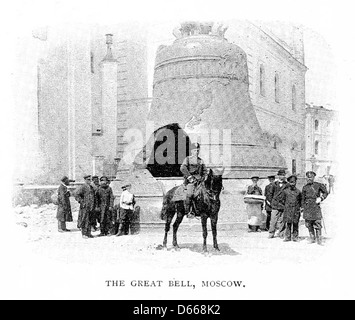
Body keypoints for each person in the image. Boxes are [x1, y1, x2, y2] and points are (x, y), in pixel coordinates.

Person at [180, 143, 208, 218]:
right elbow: (183, 168)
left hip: (200, 181)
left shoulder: (200, 160)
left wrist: (205, 176)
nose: (197, 152)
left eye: (198, 150)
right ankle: (188, 212)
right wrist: (189, 177)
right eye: (195, 150)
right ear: (191, 151)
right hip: (190, 181)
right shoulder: (187, 159)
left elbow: (205, 170)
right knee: (190, 194)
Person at [302, 171, 328, 245]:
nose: (309, 179)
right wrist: (302, 207)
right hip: (307, 207)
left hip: (315, 206)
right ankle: (312, 239)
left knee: (317, 223)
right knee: (308, 223)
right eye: (308, 177)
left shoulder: (318, 185)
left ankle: (319, 240)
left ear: (313, 177)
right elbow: (303, 199)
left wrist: (321, 198)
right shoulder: (305, 187)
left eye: (310, 177)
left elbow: (326, 192)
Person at [278, 175, 302, 242]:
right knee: (288, 224)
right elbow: (281, 200)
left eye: (293, 182)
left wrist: (299, 208)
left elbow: (301, 201)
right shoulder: (285, 191)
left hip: (296, 210)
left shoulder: (298, 192)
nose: (292, 184)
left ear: (295, 182)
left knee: (295, 223)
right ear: (288, 182)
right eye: (291, 182)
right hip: (288, 210)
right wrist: (285, 207)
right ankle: (287, 237)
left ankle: (295, 237)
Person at [74, 175, 97, 239]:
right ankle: (84, 234)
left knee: (90, 220)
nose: (90, 181)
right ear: (85, 180)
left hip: (91, 206)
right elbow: (76, 194)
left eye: (90, 180)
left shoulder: (92, 187)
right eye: (88, 180)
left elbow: (96, 192)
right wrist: (81, 202)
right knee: (84, 219)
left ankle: (89, 233)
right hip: (85, 206)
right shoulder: (83, 187)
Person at [268, 169, 289, 239]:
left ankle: (281, 233)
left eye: (283, 175)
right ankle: (271, 233)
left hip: (283, 205)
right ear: (278, 176)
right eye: (280, 175)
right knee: (273, 220)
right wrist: (272, 203)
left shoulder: (287, 184)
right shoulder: (274, 184)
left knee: (282, 220)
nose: (282, 176)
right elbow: (270, 195)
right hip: (275, 205)